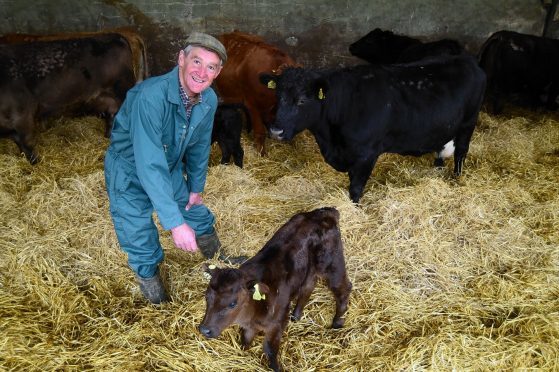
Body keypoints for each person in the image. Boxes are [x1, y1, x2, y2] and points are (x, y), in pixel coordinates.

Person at [104, 32, 245, 304]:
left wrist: (195, 187)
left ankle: (218, 260)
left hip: (166, 165)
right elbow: (148, 162)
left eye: (211, 67)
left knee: (196, 213)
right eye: (196, 61)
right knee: (138, 232)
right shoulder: (150, 97)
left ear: (218, 72)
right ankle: (155, 294)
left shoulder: (208, 100)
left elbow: (199, 146)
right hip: (130, 170)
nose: (202, 72)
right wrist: (174, 223)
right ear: (181, 59)